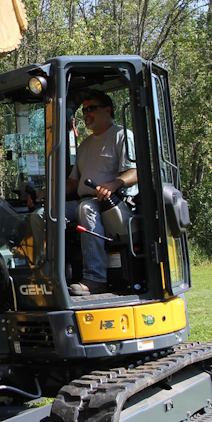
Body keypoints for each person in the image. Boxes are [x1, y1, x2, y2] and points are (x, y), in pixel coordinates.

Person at [65, 89, 136, 296]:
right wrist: (46, 194)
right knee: (45, 214)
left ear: (107, 110)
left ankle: (95, 279)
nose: (87, 114)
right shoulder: (85, 144)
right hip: (82, 200)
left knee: (87, 209)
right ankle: (50, 274)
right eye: (85, 110)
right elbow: (73, 182)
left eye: (92, 109)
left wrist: (114, 184)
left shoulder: (121, 136)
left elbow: (135, 172)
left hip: (113, 202)